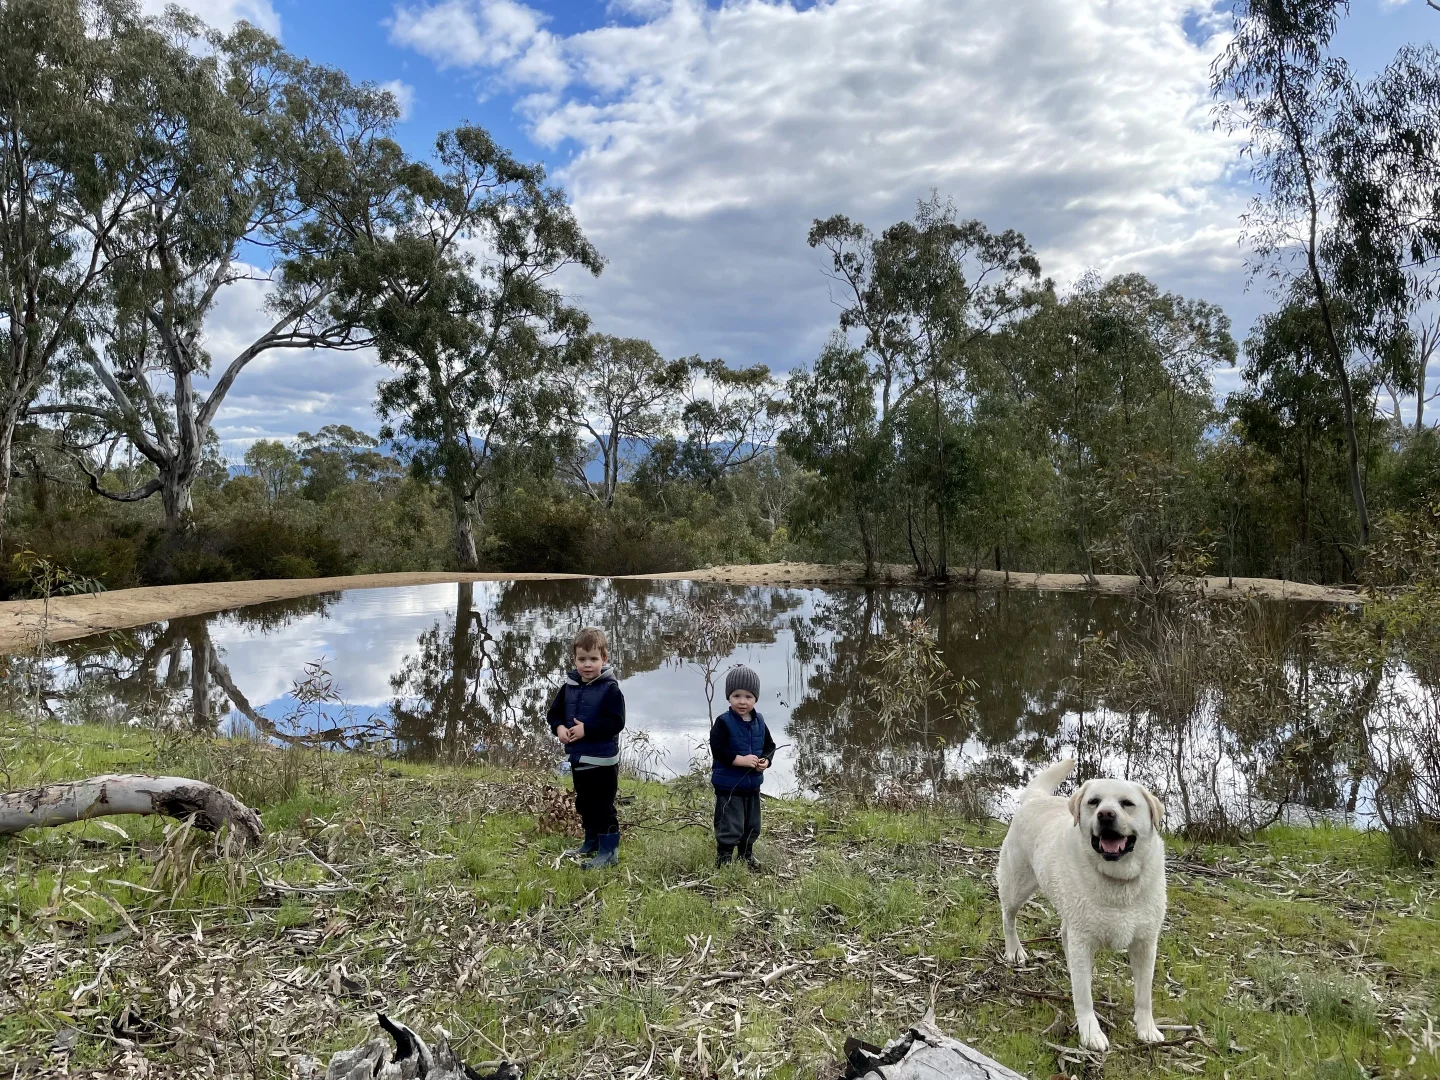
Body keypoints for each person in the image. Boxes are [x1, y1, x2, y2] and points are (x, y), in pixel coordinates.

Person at [547, 626, 626, 870]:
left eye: (593, 659)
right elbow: (554, 714)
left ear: (604, 659)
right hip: (578, 758)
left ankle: (609, 851)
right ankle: (591, 842)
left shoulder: (611, 689)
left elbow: (616, 722)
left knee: (603, 807)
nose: (588, 664)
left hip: (602, 761)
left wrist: (586, 729)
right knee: (585, 804)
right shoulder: (569, 686)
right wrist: (559, 728)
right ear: (574, 659)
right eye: (582, 659)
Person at [710, 664, 776, 869]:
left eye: (748, 696)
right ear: (728, 697)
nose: (742, 701)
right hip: (729, 785)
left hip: (753, 785)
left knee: (752, 824)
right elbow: (718, 750)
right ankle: (724, 859)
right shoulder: (723, 722)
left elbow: (769, 746)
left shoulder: (759, 721)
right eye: (736, 695)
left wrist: (765, 760)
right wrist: (741, 760)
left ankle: (746, 854)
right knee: (730, 823)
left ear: (755, 698)